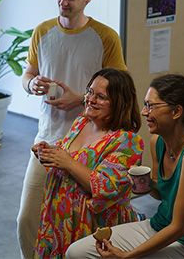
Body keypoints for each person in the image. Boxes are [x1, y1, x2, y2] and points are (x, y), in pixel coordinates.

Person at [18, 0, 127, 258]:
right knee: (27, 220)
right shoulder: (43, 31)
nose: (63, 2)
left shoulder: (105, 37)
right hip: (48, 140)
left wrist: (79, 99)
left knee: (77, 226)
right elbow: (28, 74)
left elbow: (120, 92)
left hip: (89, 146)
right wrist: (32, 84)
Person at [66, 74, 184, 259]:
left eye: (151, 106)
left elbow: (179, 227)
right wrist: (146, 185)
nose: (144, 112)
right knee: (76, 252)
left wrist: (127, 256)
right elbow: (161, 194)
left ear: (176, 112)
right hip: (159, 226)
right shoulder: (157, 141)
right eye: (145, 104)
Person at [32, 68, 143, 258]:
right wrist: (50, 151)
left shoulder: (126, 141)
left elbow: (109, 187)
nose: (90, 99)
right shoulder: (82, 122)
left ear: (119, 103)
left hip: (90, 226)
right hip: (57, 219)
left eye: (100, 96)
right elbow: (71, 153)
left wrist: (66, 162)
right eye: (90, 92)